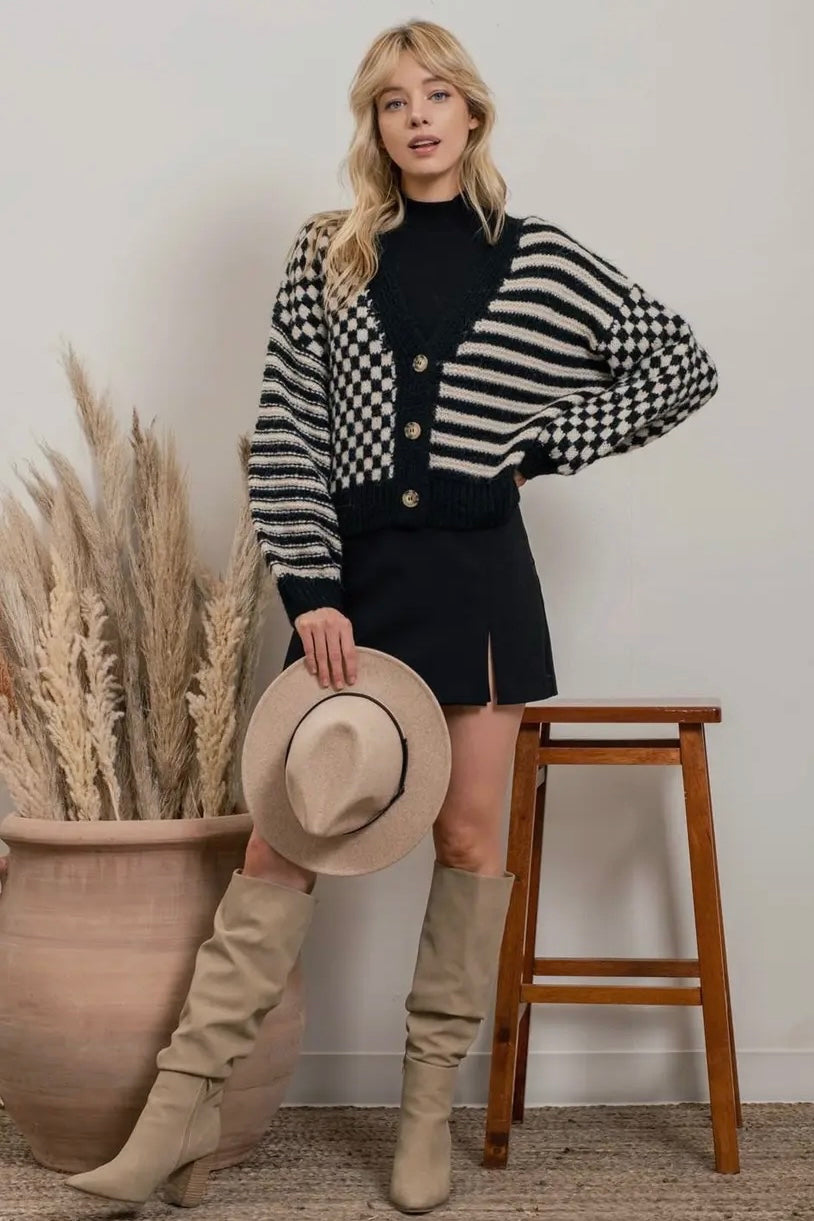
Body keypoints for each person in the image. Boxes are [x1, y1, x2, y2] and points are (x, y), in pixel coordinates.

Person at [65, 16, 719, 1215]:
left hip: (479, 591)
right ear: (372, 125)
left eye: (435, 95)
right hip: (356, 595)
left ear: (473, 112)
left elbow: (676, 363)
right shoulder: (328, 255)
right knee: (284, 841)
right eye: (390, 101)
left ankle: (424, 1116)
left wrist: (537, 447)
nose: (416, 117)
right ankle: (180, 1108)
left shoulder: (540, 260)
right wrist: (313, 589)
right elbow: (288, 431)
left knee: (467, 842)